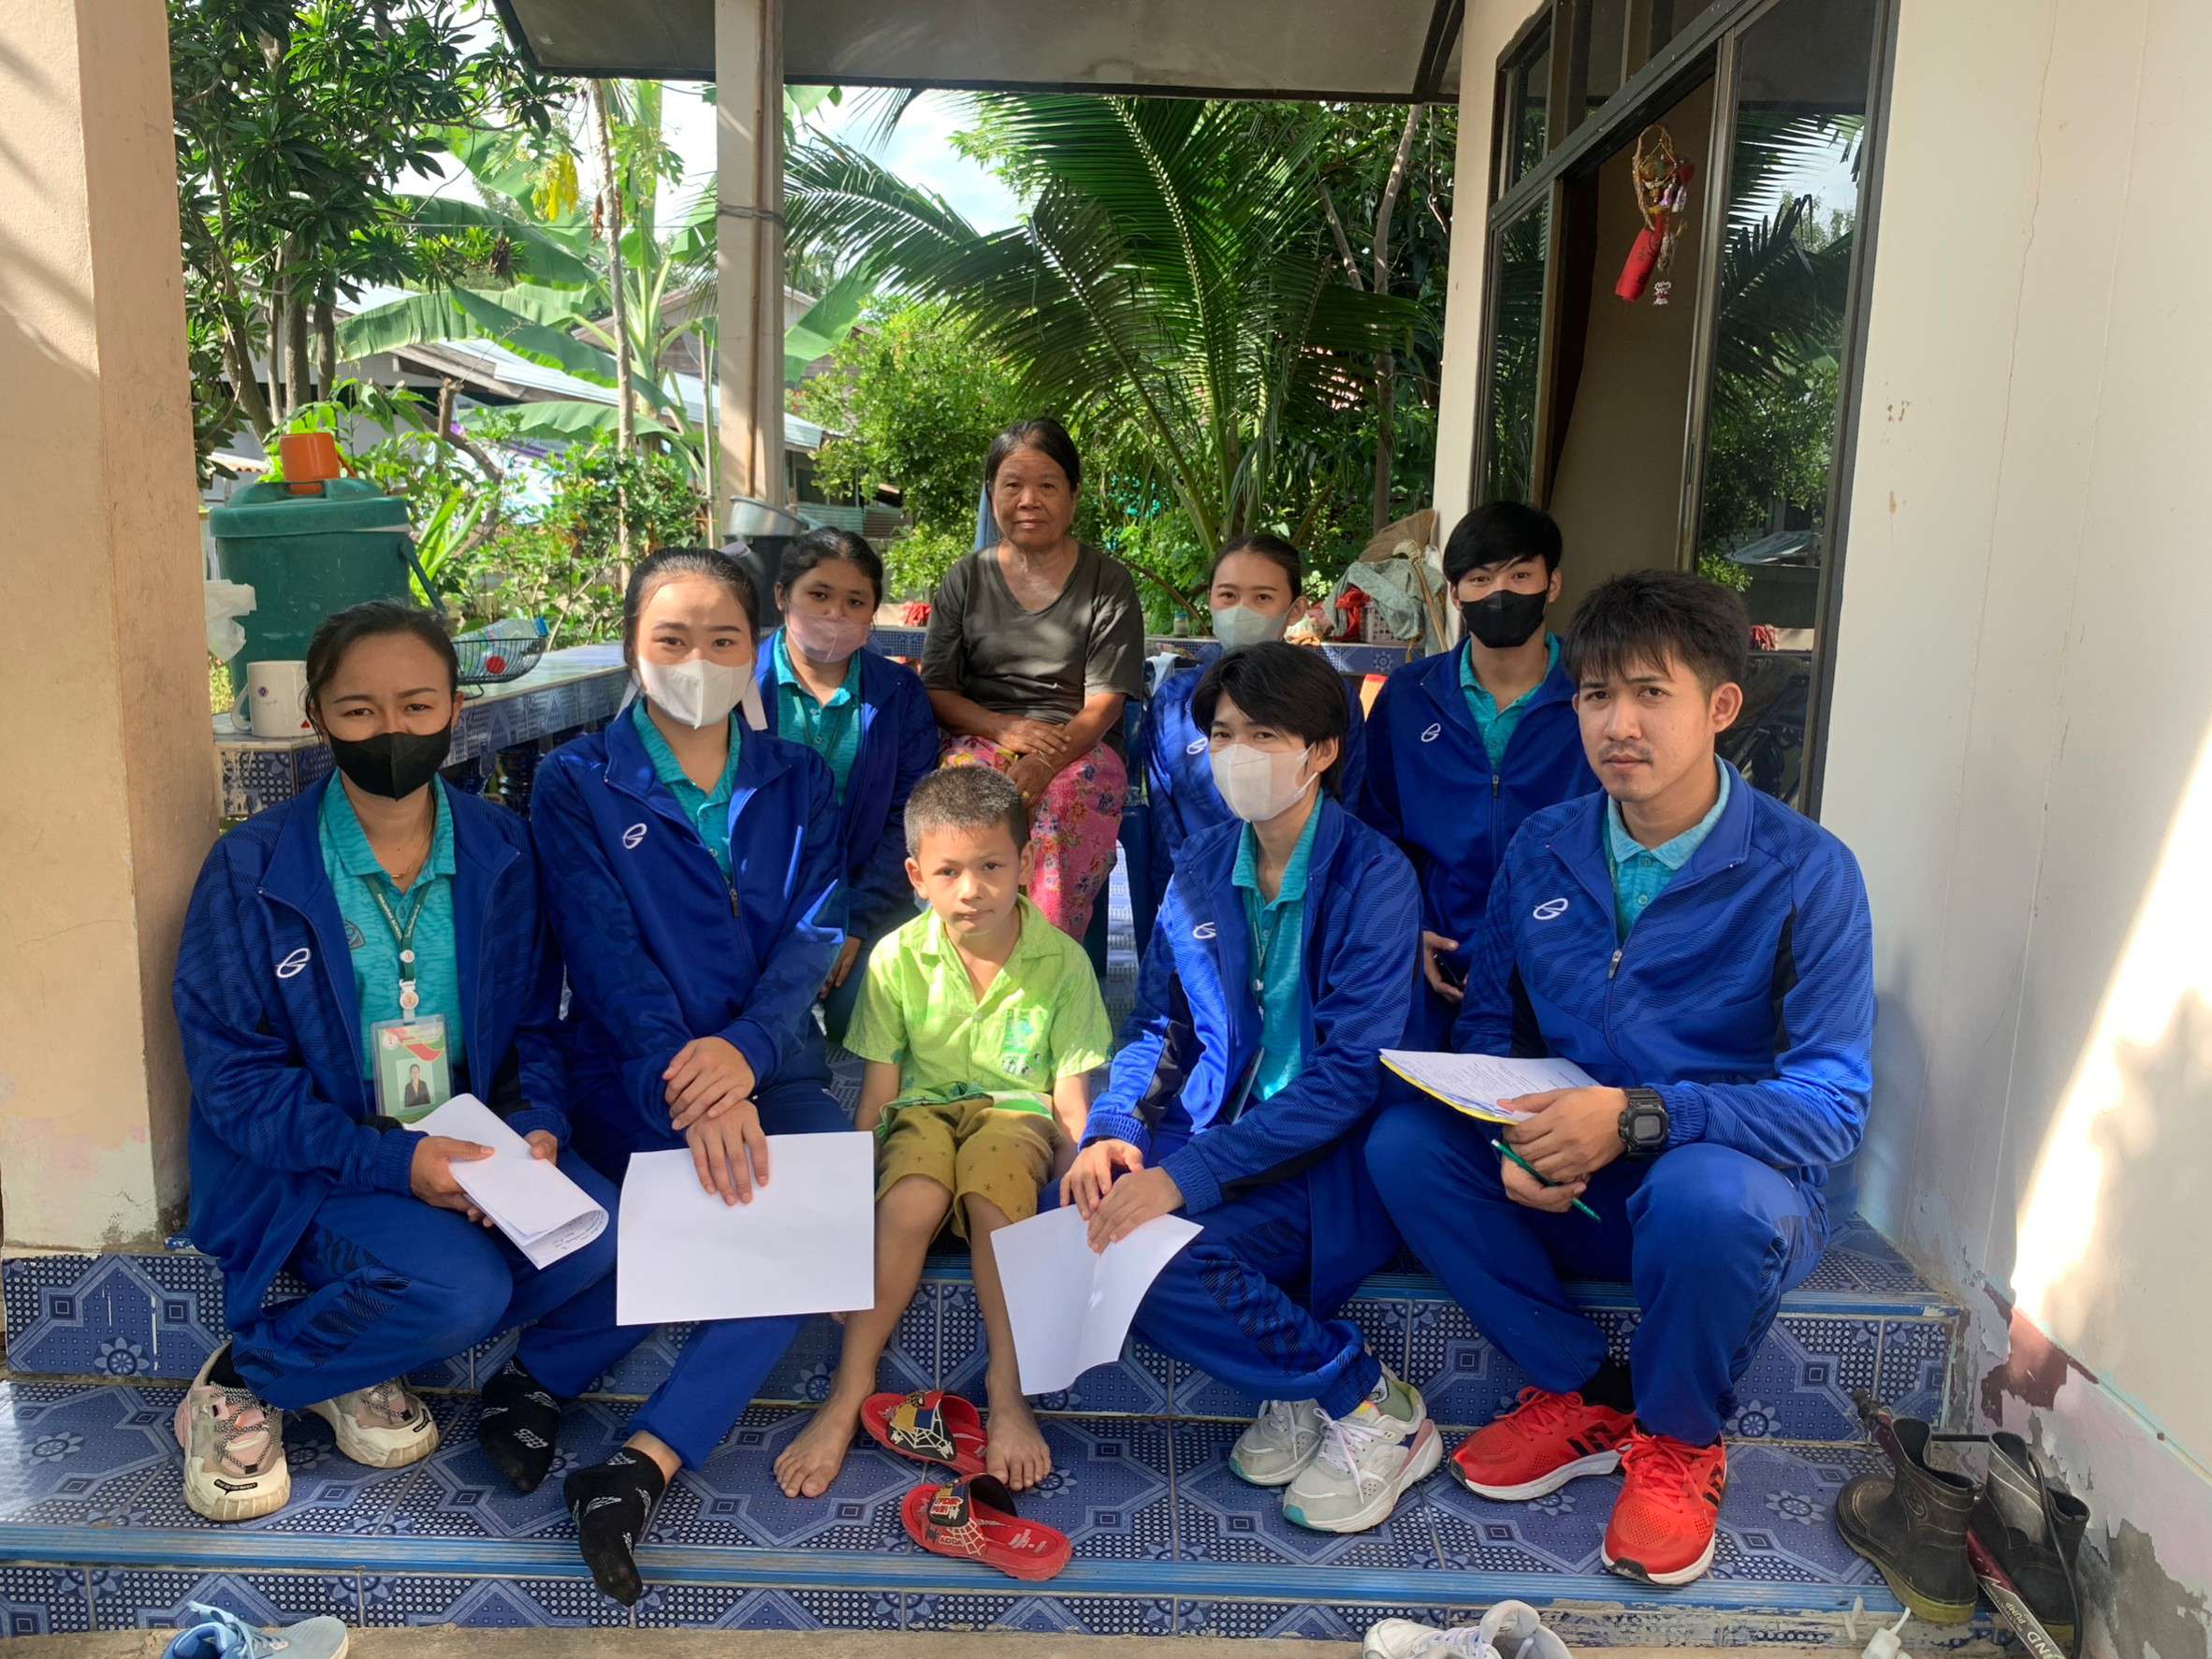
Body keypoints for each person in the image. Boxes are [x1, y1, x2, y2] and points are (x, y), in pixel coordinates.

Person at [1364, 571, 1874, 1589]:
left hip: (1724, 1193)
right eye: (1597, 695)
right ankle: (1587, 1389)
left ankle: (1679, 1442)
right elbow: (1493, 1024)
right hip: (1578, 1179)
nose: (1618, 724)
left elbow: (1830, 1108)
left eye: (1651, 693)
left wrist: (1639, 1118)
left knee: (1703, 1197)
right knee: (1405, 1145)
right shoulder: (1545, 845)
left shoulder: (1806, 872)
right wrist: (1510, 1135)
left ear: (1721, 707)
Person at [171, 601, 619, 1524]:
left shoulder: (502, 847)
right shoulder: (251, 870)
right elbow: (235, 1082)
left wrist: (538, 1124)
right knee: (463, 1291)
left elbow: (535, 1023)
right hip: (312, 1162)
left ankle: (356, 1355)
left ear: (456, 707)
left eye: (417, 705)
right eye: (359, 709)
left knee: (599, 1235)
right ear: (316, 716)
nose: (392, 730)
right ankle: (249, 1375)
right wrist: (395, 1162)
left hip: (462, 1140)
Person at [524, 547, 848, 1606]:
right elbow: (604, 951)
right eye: (671, 638)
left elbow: (816, 931)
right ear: (632, 647)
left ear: (756, 648)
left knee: (814, 1215)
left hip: (772, 1063)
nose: (697, 660)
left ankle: (636, 1460)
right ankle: (545, 1378)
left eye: (722, 639)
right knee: (741, 1204)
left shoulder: (798, 777)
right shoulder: (577, 780)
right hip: (634, 1067)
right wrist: (692, 1078)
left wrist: (745, 1054)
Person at [1063, 642, 1433, 1535]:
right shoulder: (1199, 865)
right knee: (1074, 1210)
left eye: (1265, 734)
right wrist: (1113, 1127)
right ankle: (1293, 1388)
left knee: (1159, 1261)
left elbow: (1349, 1077)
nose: (1236, 754)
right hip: (1220, 1129)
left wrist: (1184, 1177)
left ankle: (1369, 1403)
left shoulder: (1374, 876)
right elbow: (1160, 1026)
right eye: (1223, 734)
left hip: (1329, 1155)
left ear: (1322, 751)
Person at [773, 766, 1114, 1501]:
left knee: (992, 1189)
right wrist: (844, 1220)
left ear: (1026, 863)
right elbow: (878, 1099)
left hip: (1017, 1116)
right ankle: (849, 1389)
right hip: (920, 1113)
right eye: (949, 871)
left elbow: (1070, 1105)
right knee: (912, 1198)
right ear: (916, 877)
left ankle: (1007, 1392)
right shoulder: (895, 959)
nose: (972, 889)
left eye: (991, 865)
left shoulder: (1064, 963)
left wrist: (1074, 1191)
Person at [1361, 503, 1596, 1043]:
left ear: (1553, 584)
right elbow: (1375, 832)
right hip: (1432, 958)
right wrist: (1404, 929)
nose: (1499, 593)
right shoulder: (1409, 697)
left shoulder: (1596, 695)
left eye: (1520, 575)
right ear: (1454, 593)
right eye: (1480, 578)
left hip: (1561, 967)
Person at [921, 416, 1146, 940]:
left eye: (1047, 485)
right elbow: (937, 690)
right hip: (981, 735)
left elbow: (1106, 703)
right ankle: (966, 951)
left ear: (1073, 495)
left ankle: (1044, 957)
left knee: (1063, 802)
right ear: (991, 493)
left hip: (1079, 745)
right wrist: (1004, 730)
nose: (1029, 501)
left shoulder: (1107, 582)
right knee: (966, 801)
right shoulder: (965, 578)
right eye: (1012, 486)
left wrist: (1046, 760)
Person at [754, 527, 939, 1044]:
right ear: (782, 596)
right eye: (818, 595)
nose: (835, 614)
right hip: (758, 908)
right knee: (768, 1023)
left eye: (855, 601)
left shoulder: (898, 693)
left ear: (872, 612)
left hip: (867, 898)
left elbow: (908, 815)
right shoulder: (740, 685)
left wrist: (856, 920)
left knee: (858, 1017)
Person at [1142, 533, 1371, 908]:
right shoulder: (1175, 702)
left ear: (1295, 609)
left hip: (1306, 895)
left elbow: (1348, 803)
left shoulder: (1330, 696)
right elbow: (1166, 825)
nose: (1241, 611)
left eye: (1262, 597)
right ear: (1210, 601)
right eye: (1228, 596)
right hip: (1202, 895)